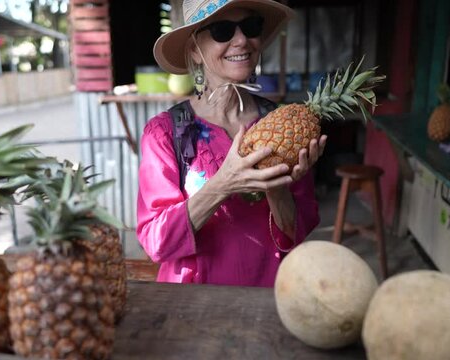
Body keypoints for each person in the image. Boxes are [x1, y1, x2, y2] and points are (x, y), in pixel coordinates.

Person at [136, 0, 326, 287]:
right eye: (222, 30)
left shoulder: (284, 124)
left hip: (268, 298)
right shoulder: (165, 133)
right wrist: (222, 184)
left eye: (250, 27)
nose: (241, 40)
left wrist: (276, 185)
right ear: (194, 50)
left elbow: (297, 234)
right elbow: (156, 243)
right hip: (192, 307)